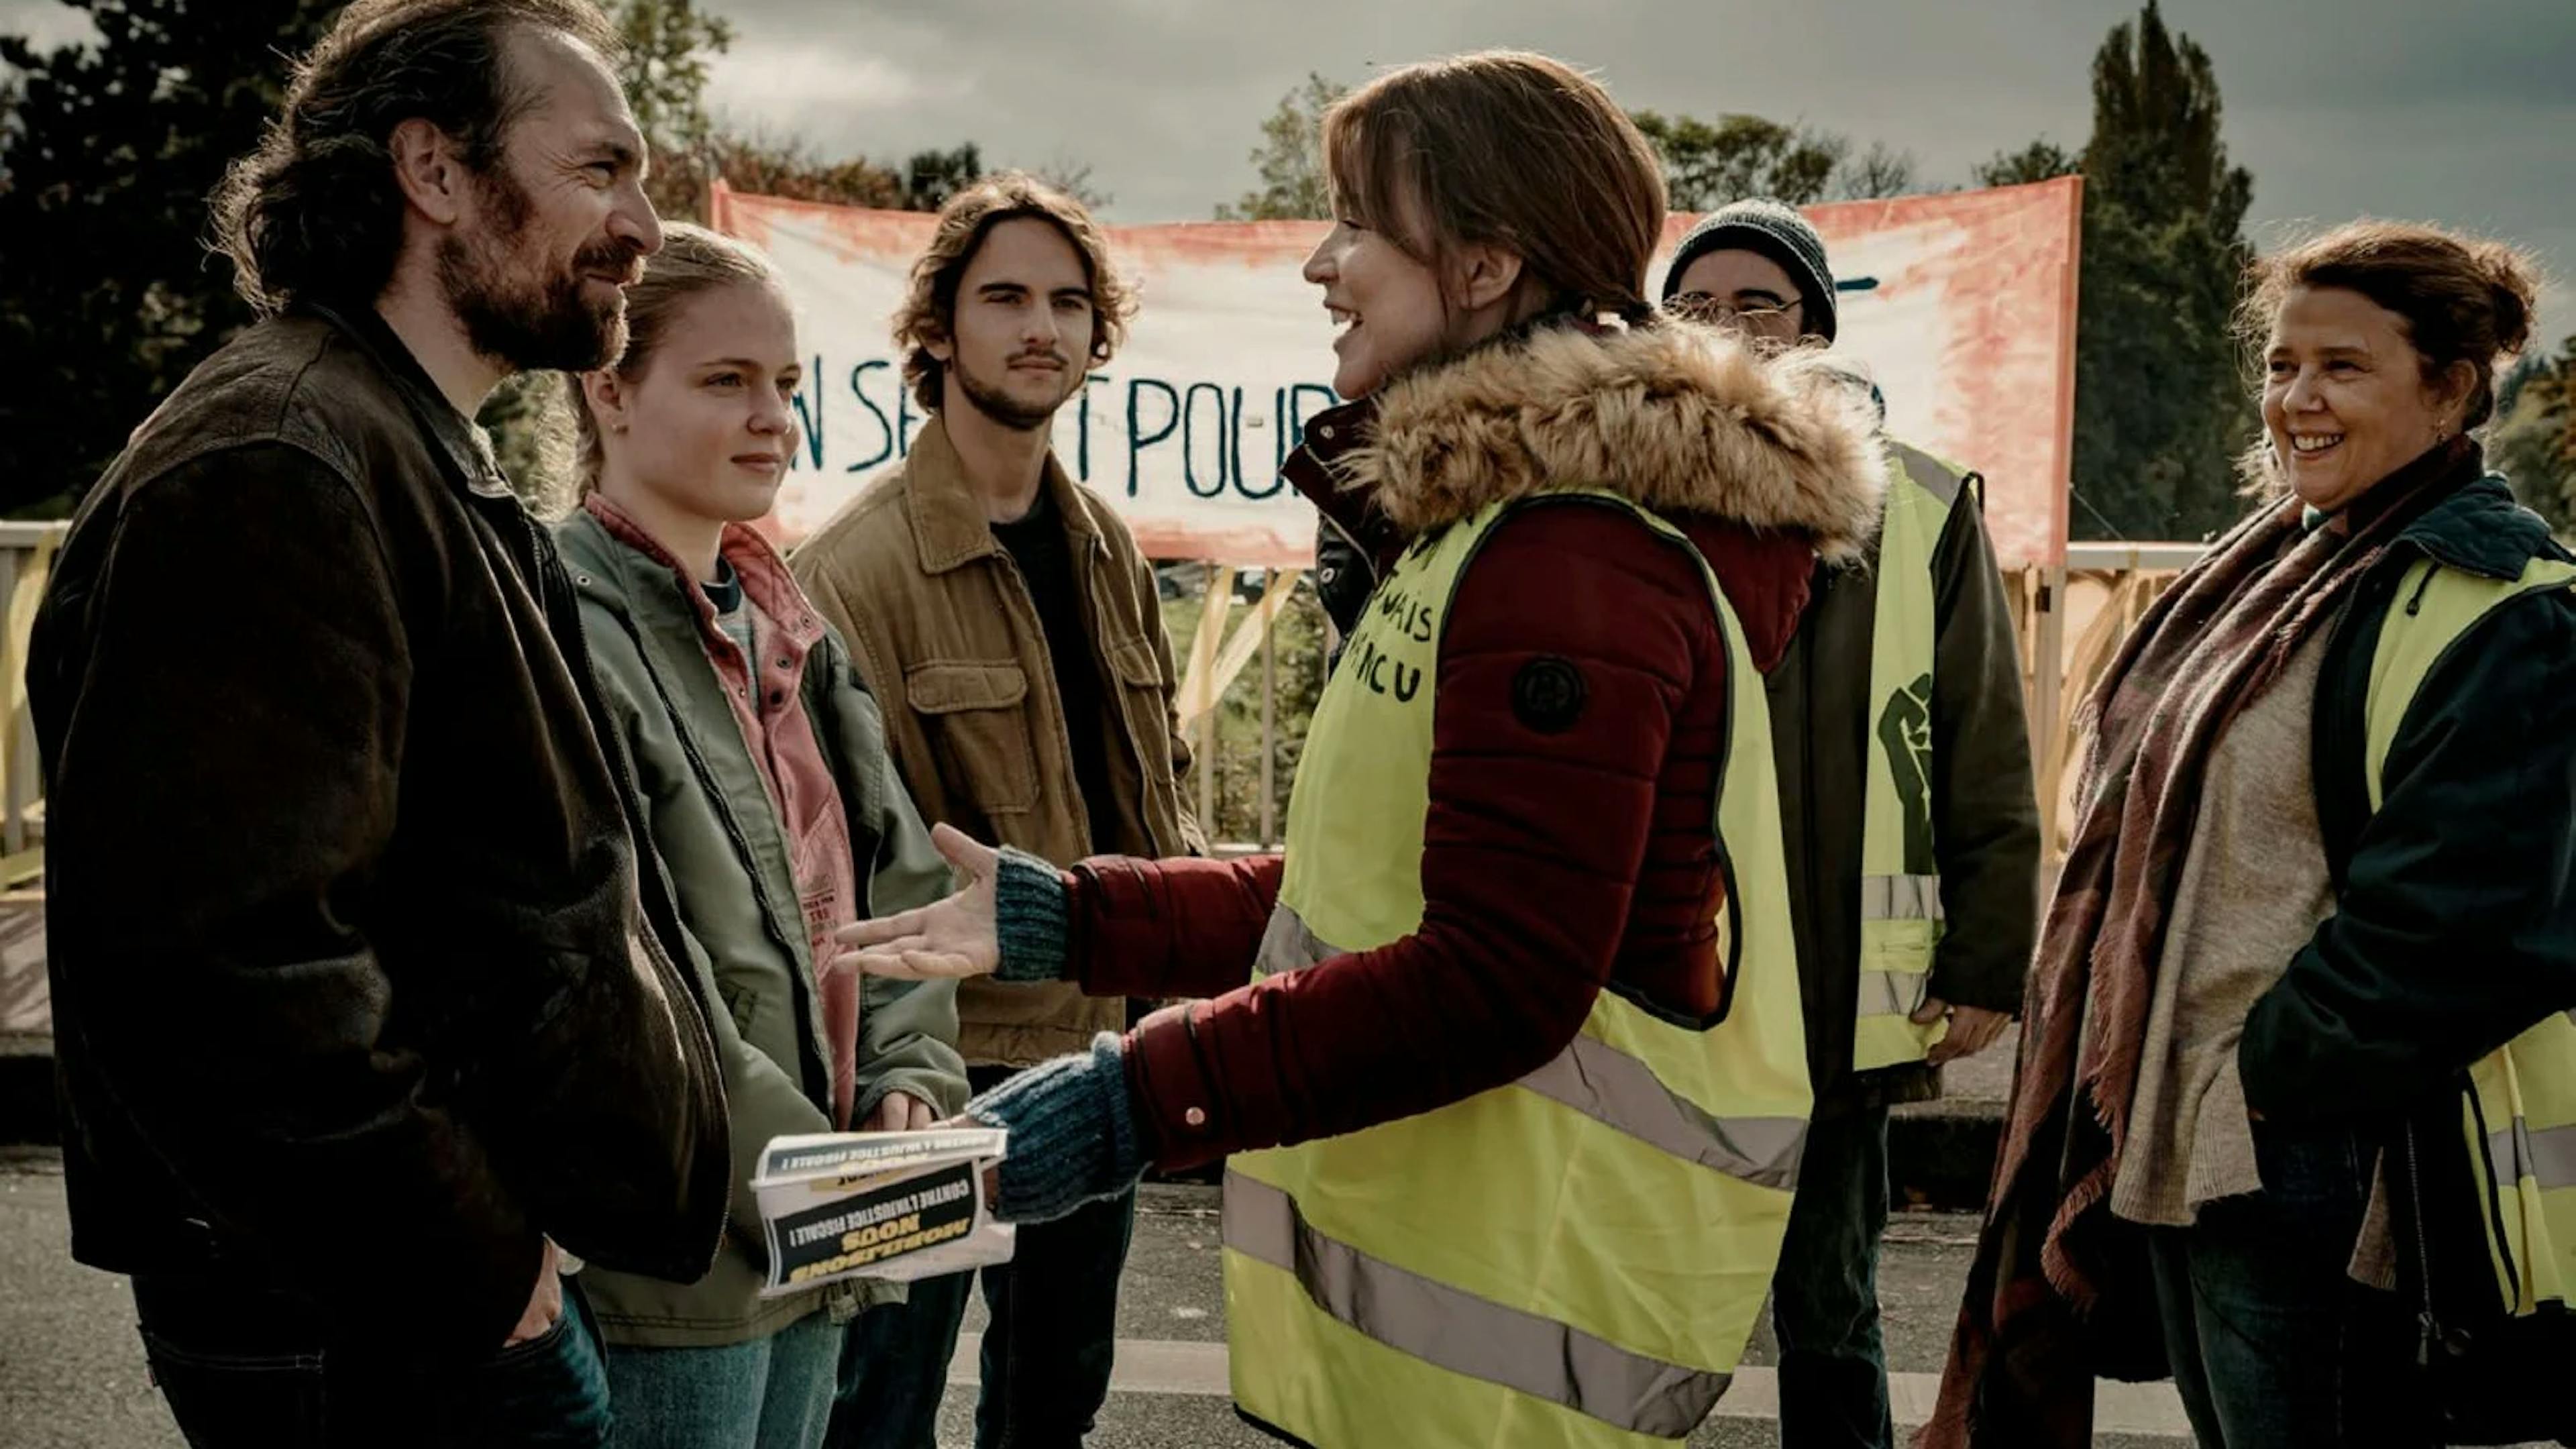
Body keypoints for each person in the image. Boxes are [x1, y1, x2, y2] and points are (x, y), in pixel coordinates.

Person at [838, 50, 1892, 1449]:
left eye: (1356, 223)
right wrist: (1074, 916)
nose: (1322, 264)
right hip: (1455, 1312)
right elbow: (1378, 879)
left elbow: (1498, 975)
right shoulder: (1505, 532)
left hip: (1503, 1341)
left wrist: (1128, 1101)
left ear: (1481, 266)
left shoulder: (1567, 553)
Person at [25, 2, 733, 1444]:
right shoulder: (279, 461)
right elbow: (234, 972)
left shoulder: (389, 443)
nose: (645, 227)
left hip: (406, 1307)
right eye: (603, 168)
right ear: (434, 170)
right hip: (371, 1329)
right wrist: (483, 1269)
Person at [1924, 220, 2576, 1449]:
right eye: (2281, 366)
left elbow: (2459, 927)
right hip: (2185, 1140)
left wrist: (2267, 1086)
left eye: (2344, 366)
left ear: (2451, 389)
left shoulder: (2508, 612)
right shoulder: (2271, 567)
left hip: (2315, 1164)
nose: (2297, 399)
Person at [788, 174, 1201, 1449]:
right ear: (939, 331)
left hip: (1093, 1052)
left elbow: (1160, 788)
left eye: (1070, 302)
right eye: (1006, 296)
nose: (1042, 327)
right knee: (880, 1406)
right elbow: (825, 854)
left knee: (1054, 1402)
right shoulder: (849, 571)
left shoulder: (1110, 550)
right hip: (927, 1071)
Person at [547, 223, 971, 1448]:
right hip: (679, 1266)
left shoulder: (793, 625)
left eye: (786, 384)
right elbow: (619, 970)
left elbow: (897, 884)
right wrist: (811, 1177)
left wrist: (907, 1085)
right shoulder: (555, 623)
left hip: (827, 1223)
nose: (773, 417)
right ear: (609, 388)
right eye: (725, 380)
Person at [1656, 199, 2040, 1449]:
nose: (1723, 325)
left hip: (1830, 996)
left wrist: (1986, 955)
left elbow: (1981, 734)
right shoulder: (1617, 493)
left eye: (1757, 301)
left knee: (1829, 1305)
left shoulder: (1920, 505)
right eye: (1693, 303)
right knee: (1628, 1304)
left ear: (1816, 326)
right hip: (1663, 978)